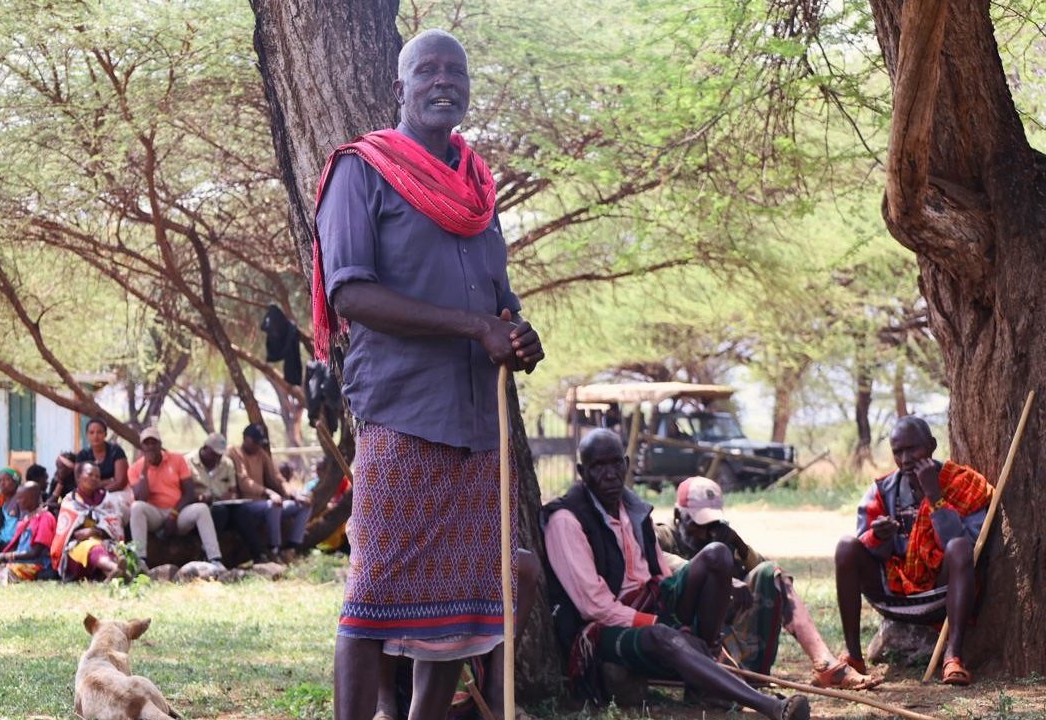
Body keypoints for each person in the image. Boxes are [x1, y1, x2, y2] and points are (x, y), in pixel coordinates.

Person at [313, 28, 545, 720]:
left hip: (478, 424)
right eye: (428, 70)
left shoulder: (477, 187)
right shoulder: (361, 171)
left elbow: (496, 298)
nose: (444, 81)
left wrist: (513, 330)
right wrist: (472, 328)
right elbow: (348, 294)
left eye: (456, 71)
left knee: (464, 608)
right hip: (403, 415)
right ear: (400, 87)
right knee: (372, 600)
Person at [543, 429, 810, 720]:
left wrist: (677, 617)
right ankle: (770, 706)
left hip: (651, 602)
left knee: (717, 554)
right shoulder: (567, 520)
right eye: (598, 467)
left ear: (627, 463)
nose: (609, 474)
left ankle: (703, 670)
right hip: (602, 629)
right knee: (662, 636)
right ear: (583, 471)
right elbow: (594, 606)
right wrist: (661, 623)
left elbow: (659, 572)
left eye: (615, 464)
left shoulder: (631, 507)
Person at [657, 477, 876, 689]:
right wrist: (715, 571)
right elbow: (654, 560)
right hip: (681, 630)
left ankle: (826, 664)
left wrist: (738, 545)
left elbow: (765, 573)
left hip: (723, 630)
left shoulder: (718, 536)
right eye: (698, 524)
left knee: (772, 574)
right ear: (678, 514)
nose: (705, 533)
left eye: (712, 524)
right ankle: (723, 674)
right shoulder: (662, 533)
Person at [835, 416, 990, 686]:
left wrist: (933, 493)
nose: (905, 458)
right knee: (846, 546)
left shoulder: (963, 483)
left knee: (959, 545)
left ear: (931, 445)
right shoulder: (883, 490)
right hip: (895, 593)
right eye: (898, 452)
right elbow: (868, 546)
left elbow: (964, 547)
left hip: (942, 592)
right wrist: (878, 536)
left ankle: (953, 658)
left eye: (912, 449)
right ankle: (854, 657)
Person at [127, 427, 224, 571]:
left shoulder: (177, 460)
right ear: (142, 447)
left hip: (178, 512)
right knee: (136, 507)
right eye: (146, 444)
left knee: (202, 509)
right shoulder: (135, 469)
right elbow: (141, 497)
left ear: (160, 444)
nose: (150, 447)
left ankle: (215, 559)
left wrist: (174, 514)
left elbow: (189, 493)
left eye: (154, 443)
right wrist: (145, 470)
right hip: (155, 514)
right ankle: (140, 561)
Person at [226, 423, 311, 564]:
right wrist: (268, 492)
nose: (258, 446)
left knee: (304, 505)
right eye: (255, 442)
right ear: (246, 439)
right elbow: (244, 482)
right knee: (274, 505)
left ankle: (291, 547)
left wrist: (294, 494)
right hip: (246, 504)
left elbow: (277, 478)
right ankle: (274, 549)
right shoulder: (234, 452)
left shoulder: (261, 454)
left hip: (266, 502)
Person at [52, 462, 125, 582]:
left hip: (105, 543)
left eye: (97, 476)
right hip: (77, 551)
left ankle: (114, 573)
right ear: (78, 477)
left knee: (113, 550)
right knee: (92, 547)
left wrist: (94, 531)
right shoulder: (70, 501)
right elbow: (65, 534)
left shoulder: (107, 500)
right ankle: (114, 568)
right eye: (90, 474)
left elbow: (116, 527)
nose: (94, 479)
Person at [76, 418, 132, 519]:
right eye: (91, 432)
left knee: (113, 506)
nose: (95, 436)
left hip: (117, 493)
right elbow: (80, 482)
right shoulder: (82, 455)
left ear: (105, 434)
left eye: (99, 432)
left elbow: (120, 482)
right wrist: (108, 481)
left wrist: (99, 490)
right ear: (87, 435)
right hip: (91, 494)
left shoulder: (116, 451)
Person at [185, 433, 237, 532]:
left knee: (244, 512)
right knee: (219, 512)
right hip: (198, 505)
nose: (217, 458)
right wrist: (199, 497)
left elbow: (233, 490)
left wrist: (230, 496)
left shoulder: (227, 463)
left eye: (220, 455)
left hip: (222, 504)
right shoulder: (187, 462)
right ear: (205, 448)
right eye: (214, 454)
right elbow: (182, 491)